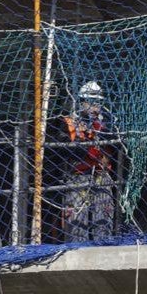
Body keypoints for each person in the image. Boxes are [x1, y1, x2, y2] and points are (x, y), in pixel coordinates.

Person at [61, 81, 115, 242]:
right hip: (78, 175)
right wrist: (85, 138)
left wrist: (100, 131)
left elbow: (116, 145)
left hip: (101, 176)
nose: (94, 106)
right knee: (76, 221)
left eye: (97, 102)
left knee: (103, 218)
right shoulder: (69, 122)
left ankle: (104, 249)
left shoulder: (107, 124)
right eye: (90, 102)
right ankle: (75, 251)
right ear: (81, 102)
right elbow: (62, 149)